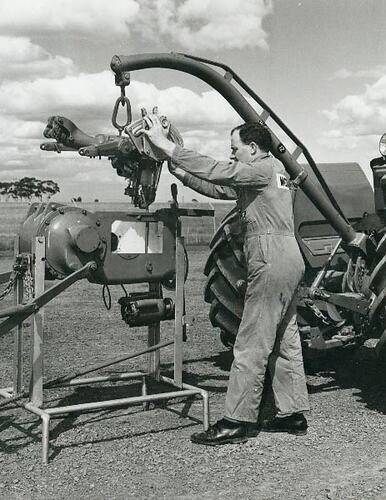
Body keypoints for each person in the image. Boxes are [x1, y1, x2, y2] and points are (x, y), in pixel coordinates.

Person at [136, 111, 310, 446]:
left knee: (251, 340)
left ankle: (237, 421)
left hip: (270, 256)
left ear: (255, 148)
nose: (232, 154)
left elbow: (218, 169)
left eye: (236, 148)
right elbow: (219, 186)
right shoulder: (271, 173)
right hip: (288, 257)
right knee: (284, 338)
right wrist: (181, 171)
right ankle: (292, 413)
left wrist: (166, 146)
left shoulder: (260, 168)